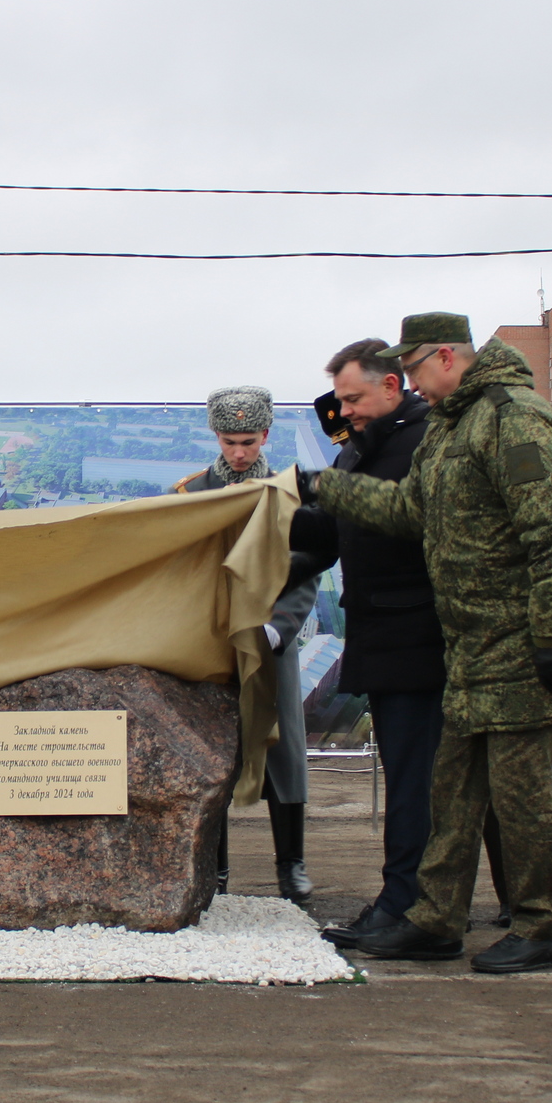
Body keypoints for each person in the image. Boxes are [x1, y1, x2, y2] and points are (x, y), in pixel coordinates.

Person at [302, 312, 552, 974]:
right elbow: (409, 509)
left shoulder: (513, 418)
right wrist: (326, 486)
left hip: (523, 644)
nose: (409, 385)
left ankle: (540, 925)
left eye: (411, 371)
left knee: (520, 797)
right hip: (469, 644)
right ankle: (433, 920)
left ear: (446, 356)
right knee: (453, 793)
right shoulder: (451, 427)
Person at [297, 339, 510, 948]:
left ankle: (414, 906)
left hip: (424, 643)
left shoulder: (425, 444)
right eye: (340, 401)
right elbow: (328, 536)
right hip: (387, 643)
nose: (346, 412)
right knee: (412, 780)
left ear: (392, 386)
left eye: (354, 398)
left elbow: (418, 525)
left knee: (421, 784)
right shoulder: (364, 448)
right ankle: (403, 902)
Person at [174, 386, 317, 902]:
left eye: (250, 441)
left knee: (284, 750)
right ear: (216, 435)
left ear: (266, 435)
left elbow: (307, 572)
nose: (240, 452)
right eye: (231, 441)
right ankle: (215, 870)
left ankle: (291, 865)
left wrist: (280, 627)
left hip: (271, 638)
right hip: (211, 643)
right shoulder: (190, 495)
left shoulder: (290, 492)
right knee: (211, 753)